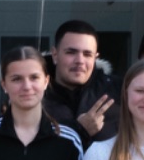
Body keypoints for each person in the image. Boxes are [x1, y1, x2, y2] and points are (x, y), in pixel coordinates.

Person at [42, 18, 118, 148]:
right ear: (55, 55)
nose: (80, 61)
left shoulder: (119, 92)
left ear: (95, 58)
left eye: (87, 54)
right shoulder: (32, 94)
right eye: (71, 52)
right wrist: (80, 130)